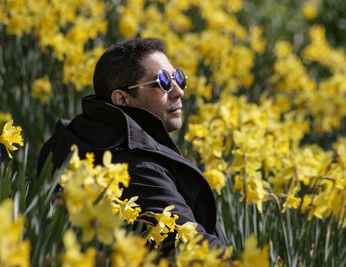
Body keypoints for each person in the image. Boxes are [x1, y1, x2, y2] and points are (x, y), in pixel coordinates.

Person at [37, 38, 227, 253]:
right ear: (122, 99)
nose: (179, 92)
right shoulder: (135, 165)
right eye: (163, 82)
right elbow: (195, 248)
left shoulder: (77, 136)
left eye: (178, 78)